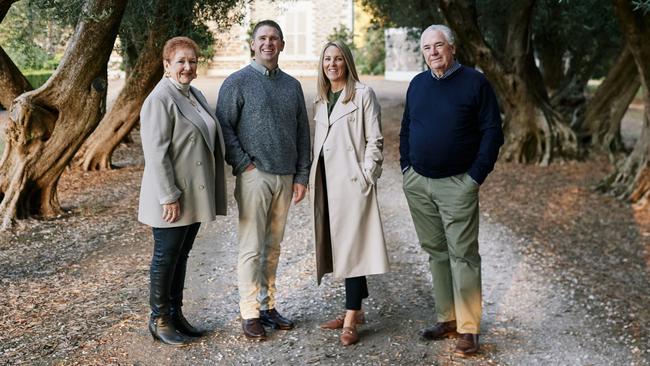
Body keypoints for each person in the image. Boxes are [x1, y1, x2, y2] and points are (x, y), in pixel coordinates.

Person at [400, 24, 504, 356]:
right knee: (436, 252)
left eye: (439, 46)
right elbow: (406, 126)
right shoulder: (417, 84)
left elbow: (492, 130)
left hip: (458, 183)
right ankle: (448, 318)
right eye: (427, 47)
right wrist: (406, 167)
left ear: (452, 48)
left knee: (464, 255)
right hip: (419, 183)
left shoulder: (475, 82)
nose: (433, 52)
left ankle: (470, 329)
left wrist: (475, 175)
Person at [215, 20, 311, 341]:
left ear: (282, 45)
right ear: (253, 44)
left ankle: (268, 306)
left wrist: (301, 175)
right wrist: (244, 165)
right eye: (263, 38)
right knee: (251, 247)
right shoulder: (237, 82)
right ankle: (249, 312)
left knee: (273, 247)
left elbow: (302, 133)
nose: (268, 43)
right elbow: (224, 128)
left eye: (274, 39)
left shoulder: (292, 86)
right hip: (254, 176)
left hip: (286, 177)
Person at [138, 36, 227, 346]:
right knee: (165, 257)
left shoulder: (194, 94)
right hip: (172, 197)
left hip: (193, 194)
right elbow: (156, 153)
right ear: (166, 65)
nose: (187, 67)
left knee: (181, 255)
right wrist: (168, 195)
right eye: (180, 62)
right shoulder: (159, 99)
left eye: (192, 61)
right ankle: (159, 319)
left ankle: (175, 315)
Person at [309, 40, 389, 346]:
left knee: (353, 250)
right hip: (327, 184)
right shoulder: (321, 98)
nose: (332, 64)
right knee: (340, 248)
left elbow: (375, 140)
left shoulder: (363, 94)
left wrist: (367, 175)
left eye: (338, 59)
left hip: (353, 184)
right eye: (327, 59)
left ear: (347, 62)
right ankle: (356, 308)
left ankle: (352, 316)